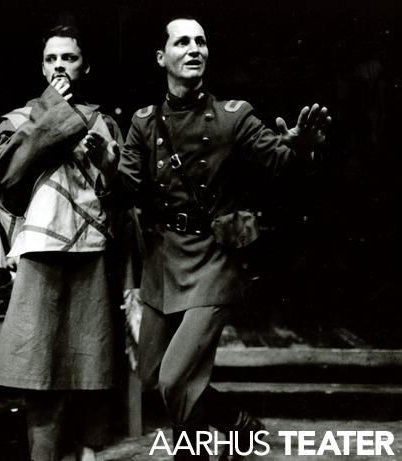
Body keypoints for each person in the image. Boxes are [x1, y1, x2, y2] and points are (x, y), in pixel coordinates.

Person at [109, 16, 332, 461]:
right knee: (152, 374)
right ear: (162, 57)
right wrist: (106, 166)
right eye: (182, 42)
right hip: (162, 260)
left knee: (175, 378)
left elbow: (279, 159)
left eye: (201, 41)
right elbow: (126, 187)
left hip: (212, 260)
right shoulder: (144, 123)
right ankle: (236, 424)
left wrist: (301, 147)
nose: (194, 49)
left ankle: (193, 454)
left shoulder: (234, 116)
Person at [0, 24, 123, 461]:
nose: (60, 65)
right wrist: (51, 112)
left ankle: (89, 451)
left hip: (93, 252)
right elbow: (5, 177)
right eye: (51, 58)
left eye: (69, 58)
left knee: (91, 362)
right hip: (41, 252)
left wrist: (110, 167)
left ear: (86, 66)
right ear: (41, 67)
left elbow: (123, 195)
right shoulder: (18, 119)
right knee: (38, 365)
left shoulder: (105, 122)